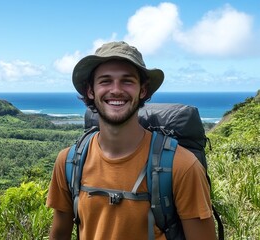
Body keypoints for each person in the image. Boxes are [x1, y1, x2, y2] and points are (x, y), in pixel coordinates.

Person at [46, 41, 216, 240]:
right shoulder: (69, 161)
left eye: (127, 81)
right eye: (105, 81)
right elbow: (59, 233)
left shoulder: (182, 166)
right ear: (90, 91)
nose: (116, 90)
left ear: (142, 91)